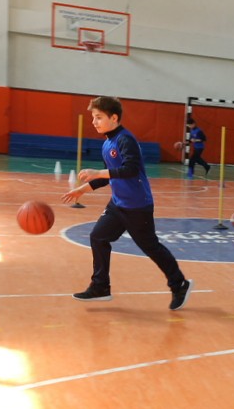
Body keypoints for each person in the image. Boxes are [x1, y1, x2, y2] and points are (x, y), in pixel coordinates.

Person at [62, 96, 193, 310]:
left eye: (98, 117)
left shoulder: (125, 139)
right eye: (93, 118)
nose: (94, 122)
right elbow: (109, 177)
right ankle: (100, 287)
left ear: (114, 118)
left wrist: (97, 172)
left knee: (150, 247)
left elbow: (129, 170)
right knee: (98, 237)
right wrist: (83, 190)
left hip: (137, 206)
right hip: (118, 204)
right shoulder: (107, 144)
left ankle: (179, 284)